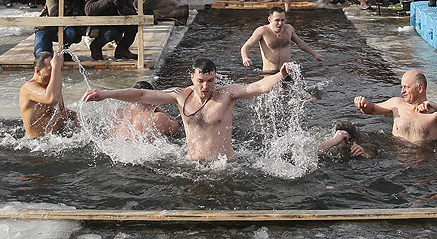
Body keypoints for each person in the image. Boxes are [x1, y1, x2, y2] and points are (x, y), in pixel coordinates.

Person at [81, 57, 290, 162]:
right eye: (201, 81)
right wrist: (106, 93)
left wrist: (280, 74)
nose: (206, 86)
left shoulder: (227, 95)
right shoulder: (180, 96)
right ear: (192, 77)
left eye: (211, 81)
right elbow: (141, 95)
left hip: (225, 167)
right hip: (191, 167)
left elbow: (259, 86)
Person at [353, 70, 437, 145]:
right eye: (402, 87)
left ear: (420, 88)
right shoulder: (396, 104)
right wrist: (364, 105)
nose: (402, 91)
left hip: (423, 162)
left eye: (406, 87)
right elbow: (372, 109)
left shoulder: (435, 112)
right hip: (396, 158)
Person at [240, 7, 322, 72]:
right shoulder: (262, 31)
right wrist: (245, 58)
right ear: (270, 19)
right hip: (269, 72)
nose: (280, 23)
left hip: (287, 71)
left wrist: (314, 54)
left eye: (283, 20)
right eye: (277, 20)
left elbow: (300, 43)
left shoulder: (289, 29)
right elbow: (246, 46)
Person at [19, 50, 78, 138]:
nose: (55, 74)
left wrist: (75, 116)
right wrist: (56, 67)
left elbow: (60, 110)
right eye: (51, 70)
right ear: (38, 71)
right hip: (36, 143)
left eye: (57, 70)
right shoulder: (28, 88)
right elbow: (51, 99)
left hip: (57, 139)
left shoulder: (53, 86)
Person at [111, 80, 180, 141]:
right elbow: (175, 128)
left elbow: (110, 136)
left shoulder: (118, 114)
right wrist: (155, 106)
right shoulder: (157, 117)